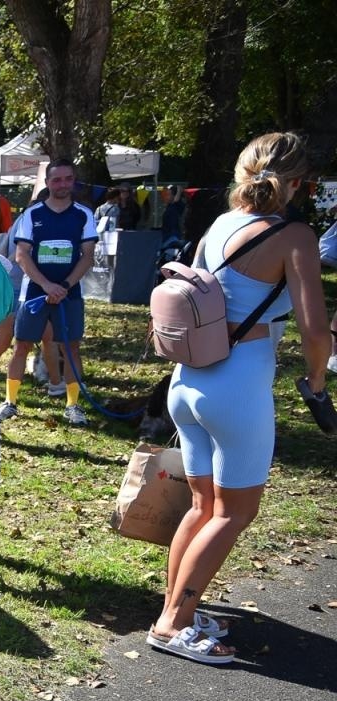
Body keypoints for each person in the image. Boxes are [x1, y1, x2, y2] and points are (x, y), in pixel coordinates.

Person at [147, 132, 331, 665]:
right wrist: (316, 382)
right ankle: (173, 625)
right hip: (238, 387)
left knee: (204, 506)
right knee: (233, 513)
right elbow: (315, 330)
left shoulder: (220, 223)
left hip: (189, 381)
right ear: (297, 182)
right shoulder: (295, 236)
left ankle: (174, 609)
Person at [0, 159, 96, 426]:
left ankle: (73, 405)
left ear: (73, 180)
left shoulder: (83, 215)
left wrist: (64, 286)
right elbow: (22, 255)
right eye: (57, 179)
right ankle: (10, 402)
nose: (63, 184)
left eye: (68, 179)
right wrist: (46, 286)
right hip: (35, 293)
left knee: (71, 347)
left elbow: (87, 257)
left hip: (70, 294)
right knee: (21, 346)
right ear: (47, 183)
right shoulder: (32, 215)